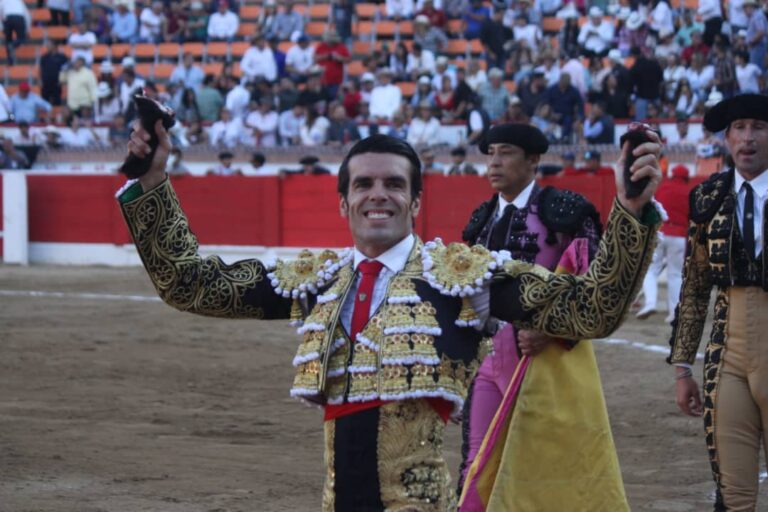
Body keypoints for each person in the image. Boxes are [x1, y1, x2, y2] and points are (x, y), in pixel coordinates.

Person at [119, 121, 662, 510]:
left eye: (394, 184)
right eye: (364, 185)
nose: (378, 196)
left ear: (416, 202)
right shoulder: (317, 280)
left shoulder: (461, 276)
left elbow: (591, 309)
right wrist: (151, 184)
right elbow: (190, 285)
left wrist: (631, 213)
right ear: (343, 203)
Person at [458, 122, 603, 499]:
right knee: (478, 461)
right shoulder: (479, 220)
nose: (494, 162)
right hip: (488, 360)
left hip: (544, 359)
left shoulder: (567, 213)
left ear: (533, 160)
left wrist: (552, 331)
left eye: (505, 152)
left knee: (548, 463)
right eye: (490, 153)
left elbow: (592, 289)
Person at [668, 94, 768, 512]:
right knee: (734, 493)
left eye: (758, 127)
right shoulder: (708, 197)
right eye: (739, 129)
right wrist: (682, 366)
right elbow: (694, 284)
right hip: (727, 353)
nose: (747, 138)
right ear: (727, 139)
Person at [637, 164, 690, 322]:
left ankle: (650, 303)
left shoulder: (663, 188)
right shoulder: (689, 192)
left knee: (651, 270)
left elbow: (653, 210)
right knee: (675, 274)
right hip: (679, 236)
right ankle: (674, 312)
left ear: (672, 175)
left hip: (661, 233)